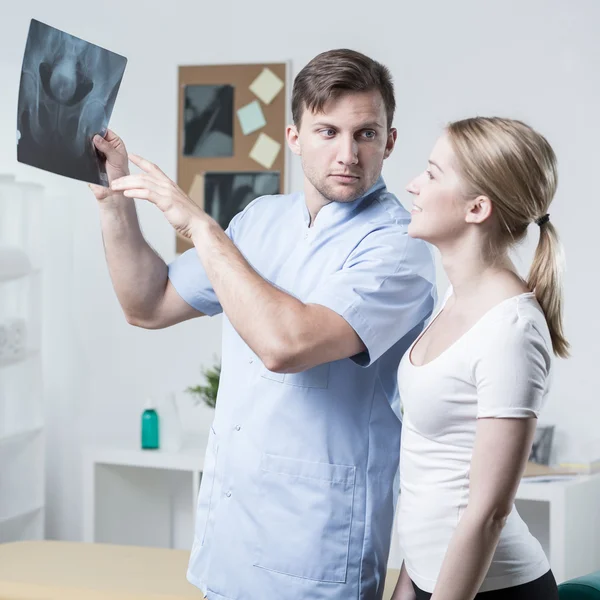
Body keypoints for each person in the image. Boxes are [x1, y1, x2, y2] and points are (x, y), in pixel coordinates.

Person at [89, 49, 436, 600]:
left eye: (366, 134)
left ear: (389, 141)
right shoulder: (258, 220)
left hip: (316, 550)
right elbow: (147, 304)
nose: (348, 154)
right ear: (295, 137)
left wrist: (200, 227)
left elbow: (286, 344)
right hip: (229, 544)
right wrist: (113, 199)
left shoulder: (399, 248)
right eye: (327, 131)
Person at [391, 117, 568, 600]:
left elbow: (488, 511)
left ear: (477, 207)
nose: (413, 184)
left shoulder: (510, 329)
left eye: (431, 173)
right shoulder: (455, 297)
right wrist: (407, 588)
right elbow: (435, 474)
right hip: (433, 581)